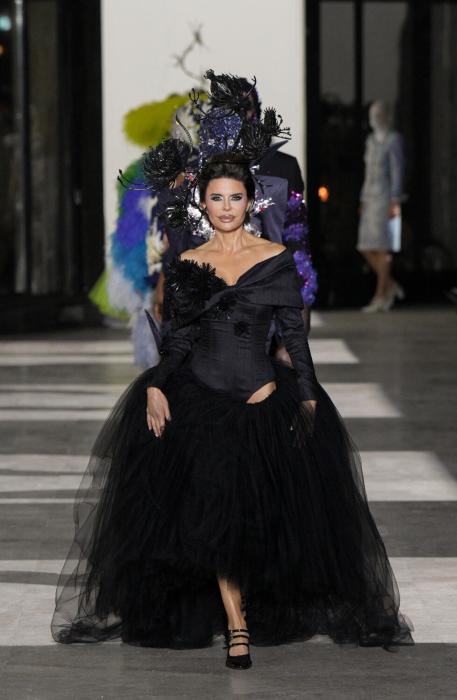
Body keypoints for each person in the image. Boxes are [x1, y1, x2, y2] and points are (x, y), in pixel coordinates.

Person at [51, 72, 413, 670]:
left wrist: (308, 398)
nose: (225, 208)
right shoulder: (190, 261)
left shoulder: (276, 260)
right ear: (204, 202)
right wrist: (157, 386)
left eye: (235, 198)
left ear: (252, 201)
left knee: (258, 521)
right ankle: (236, 624)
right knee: (215, 516)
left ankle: (247, 613)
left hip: (263, 399)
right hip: (201, 401)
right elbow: (180, 340)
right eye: (216, 198)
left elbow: (293, 336)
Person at [357, 100, 405, 312]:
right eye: (372, 114)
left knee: (384, 246)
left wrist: (395, 199)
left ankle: (380, 295)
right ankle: (390, 285)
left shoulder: (393, 140)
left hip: (386, 198)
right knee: (365, 246)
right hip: (370, 198)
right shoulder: (371, 141)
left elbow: (397, 171)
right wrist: (363, 199)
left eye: (378, 114)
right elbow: (367, 173)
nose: (374, 118)